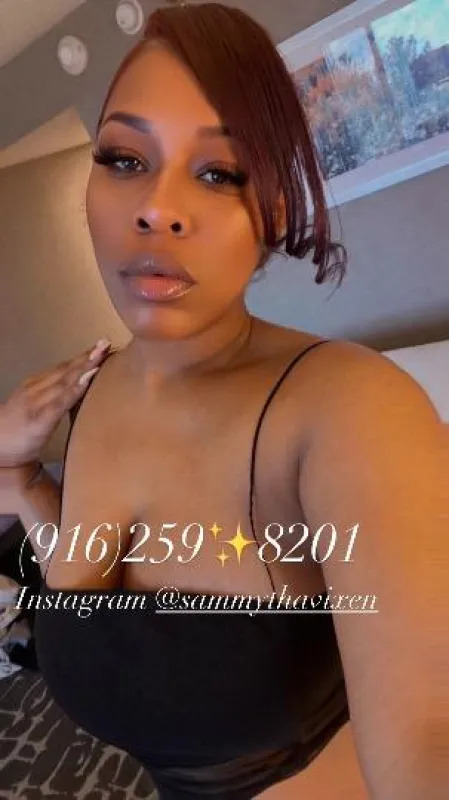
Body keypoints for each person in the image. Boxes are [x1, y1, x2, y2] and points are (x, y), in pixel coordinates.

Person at [0, 4, 445, 799]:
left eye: (217, 173)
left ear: (272, 206)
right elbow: (85, 592)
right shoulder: (94, 389)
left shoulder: (350, 409)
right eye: (124, 158)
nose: (155, 208)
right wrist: (22, 477)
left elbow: (427, 736)